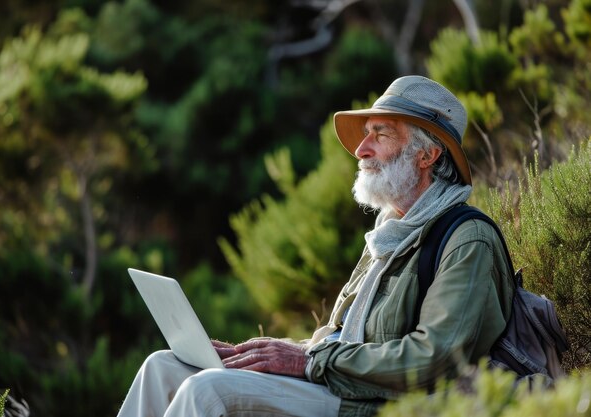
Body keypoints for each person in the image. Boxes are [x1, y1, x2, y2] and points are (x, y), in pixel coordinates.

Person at [116, 75, 515, 417]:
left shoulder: (467, 240)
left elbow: (436, 358)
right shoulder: (391, 233)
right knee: (164, 367)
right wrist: (262, 354)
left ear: (428, 154)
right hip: (340, 382)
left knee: (206, 392)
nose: (361, 150)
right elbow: (343, 340)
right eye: (366, 134)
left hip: (379, 403)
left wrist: (307, 361)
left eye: (381, 134)